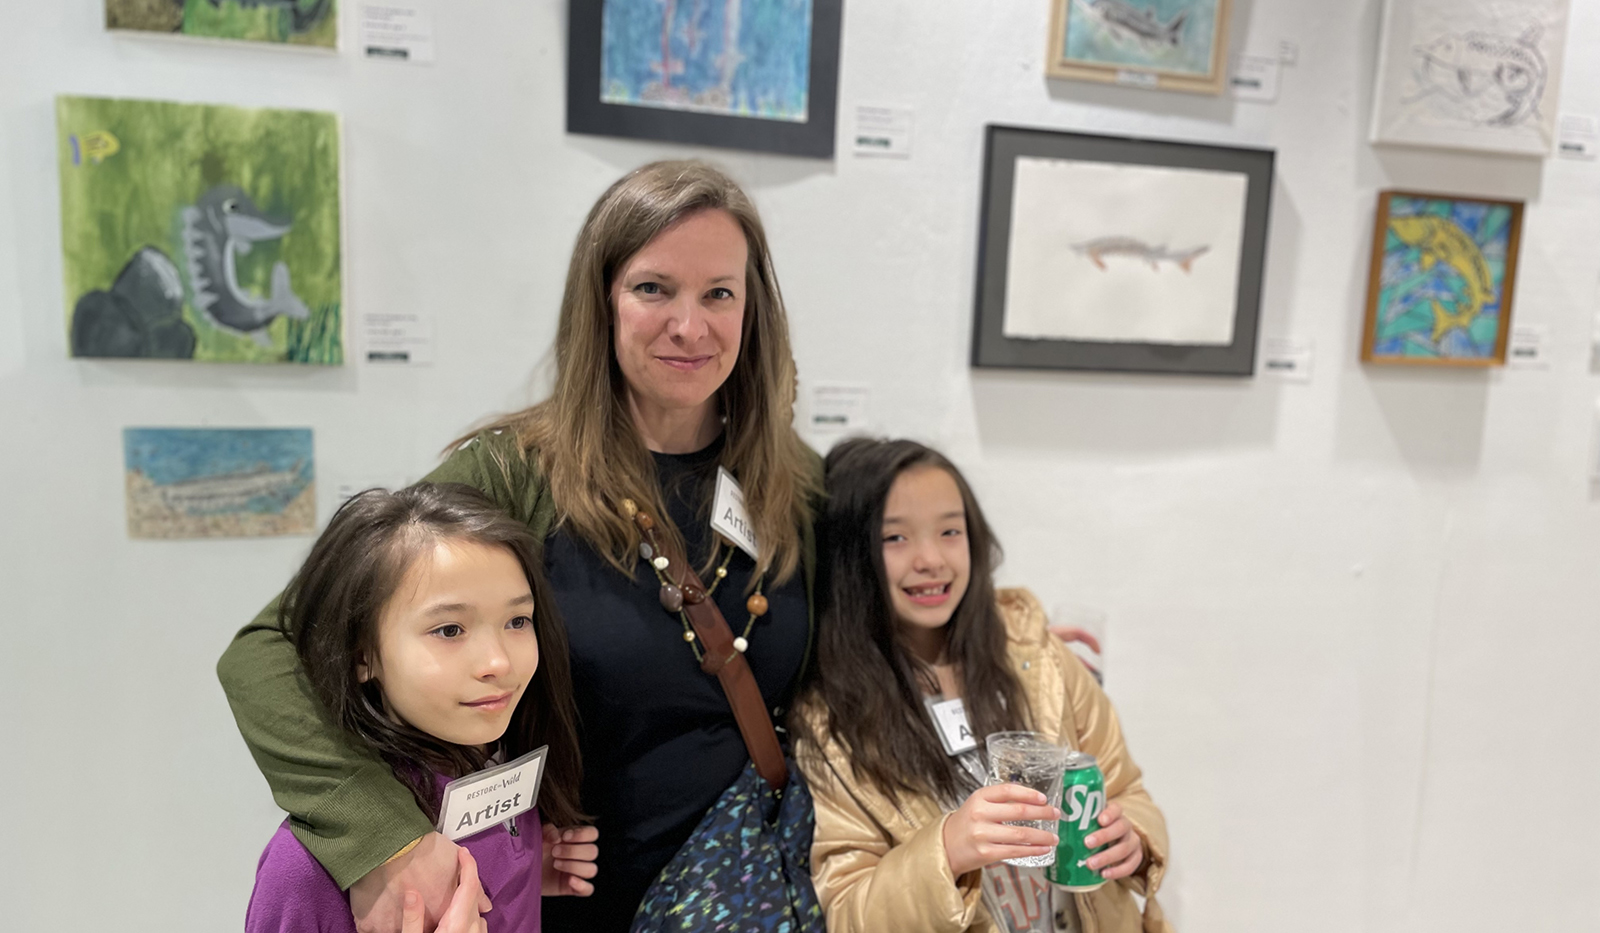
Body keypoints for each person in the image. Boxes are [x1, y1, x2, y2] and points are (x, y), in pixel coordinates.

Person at [218, 160, 822, 933]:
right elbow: (268, 650)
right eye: (653, 288)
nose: (690, 324)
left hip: (750, 897)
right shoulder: (515, 470)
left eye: (719, 293)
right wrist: (385, 840)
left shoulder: (792, 480)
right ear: (600, 301)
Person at [792, 439, 1172, 933]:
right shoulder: (828, 723)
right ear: (849, 556)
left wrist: (1134, 836)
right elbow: (845, 910)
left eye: (950, 530)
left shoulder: (1040, 658)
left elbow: (1125, 788)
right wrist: (946, 849)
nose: (931, 559)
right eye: (895, 538)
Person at [244, 483, 595, 933]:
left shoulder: (499, 776)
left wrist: (521, 876)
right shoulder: (305, 868)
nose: (498, 663)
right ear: (361, 654)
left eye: (517, 621)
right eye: (449, 630)